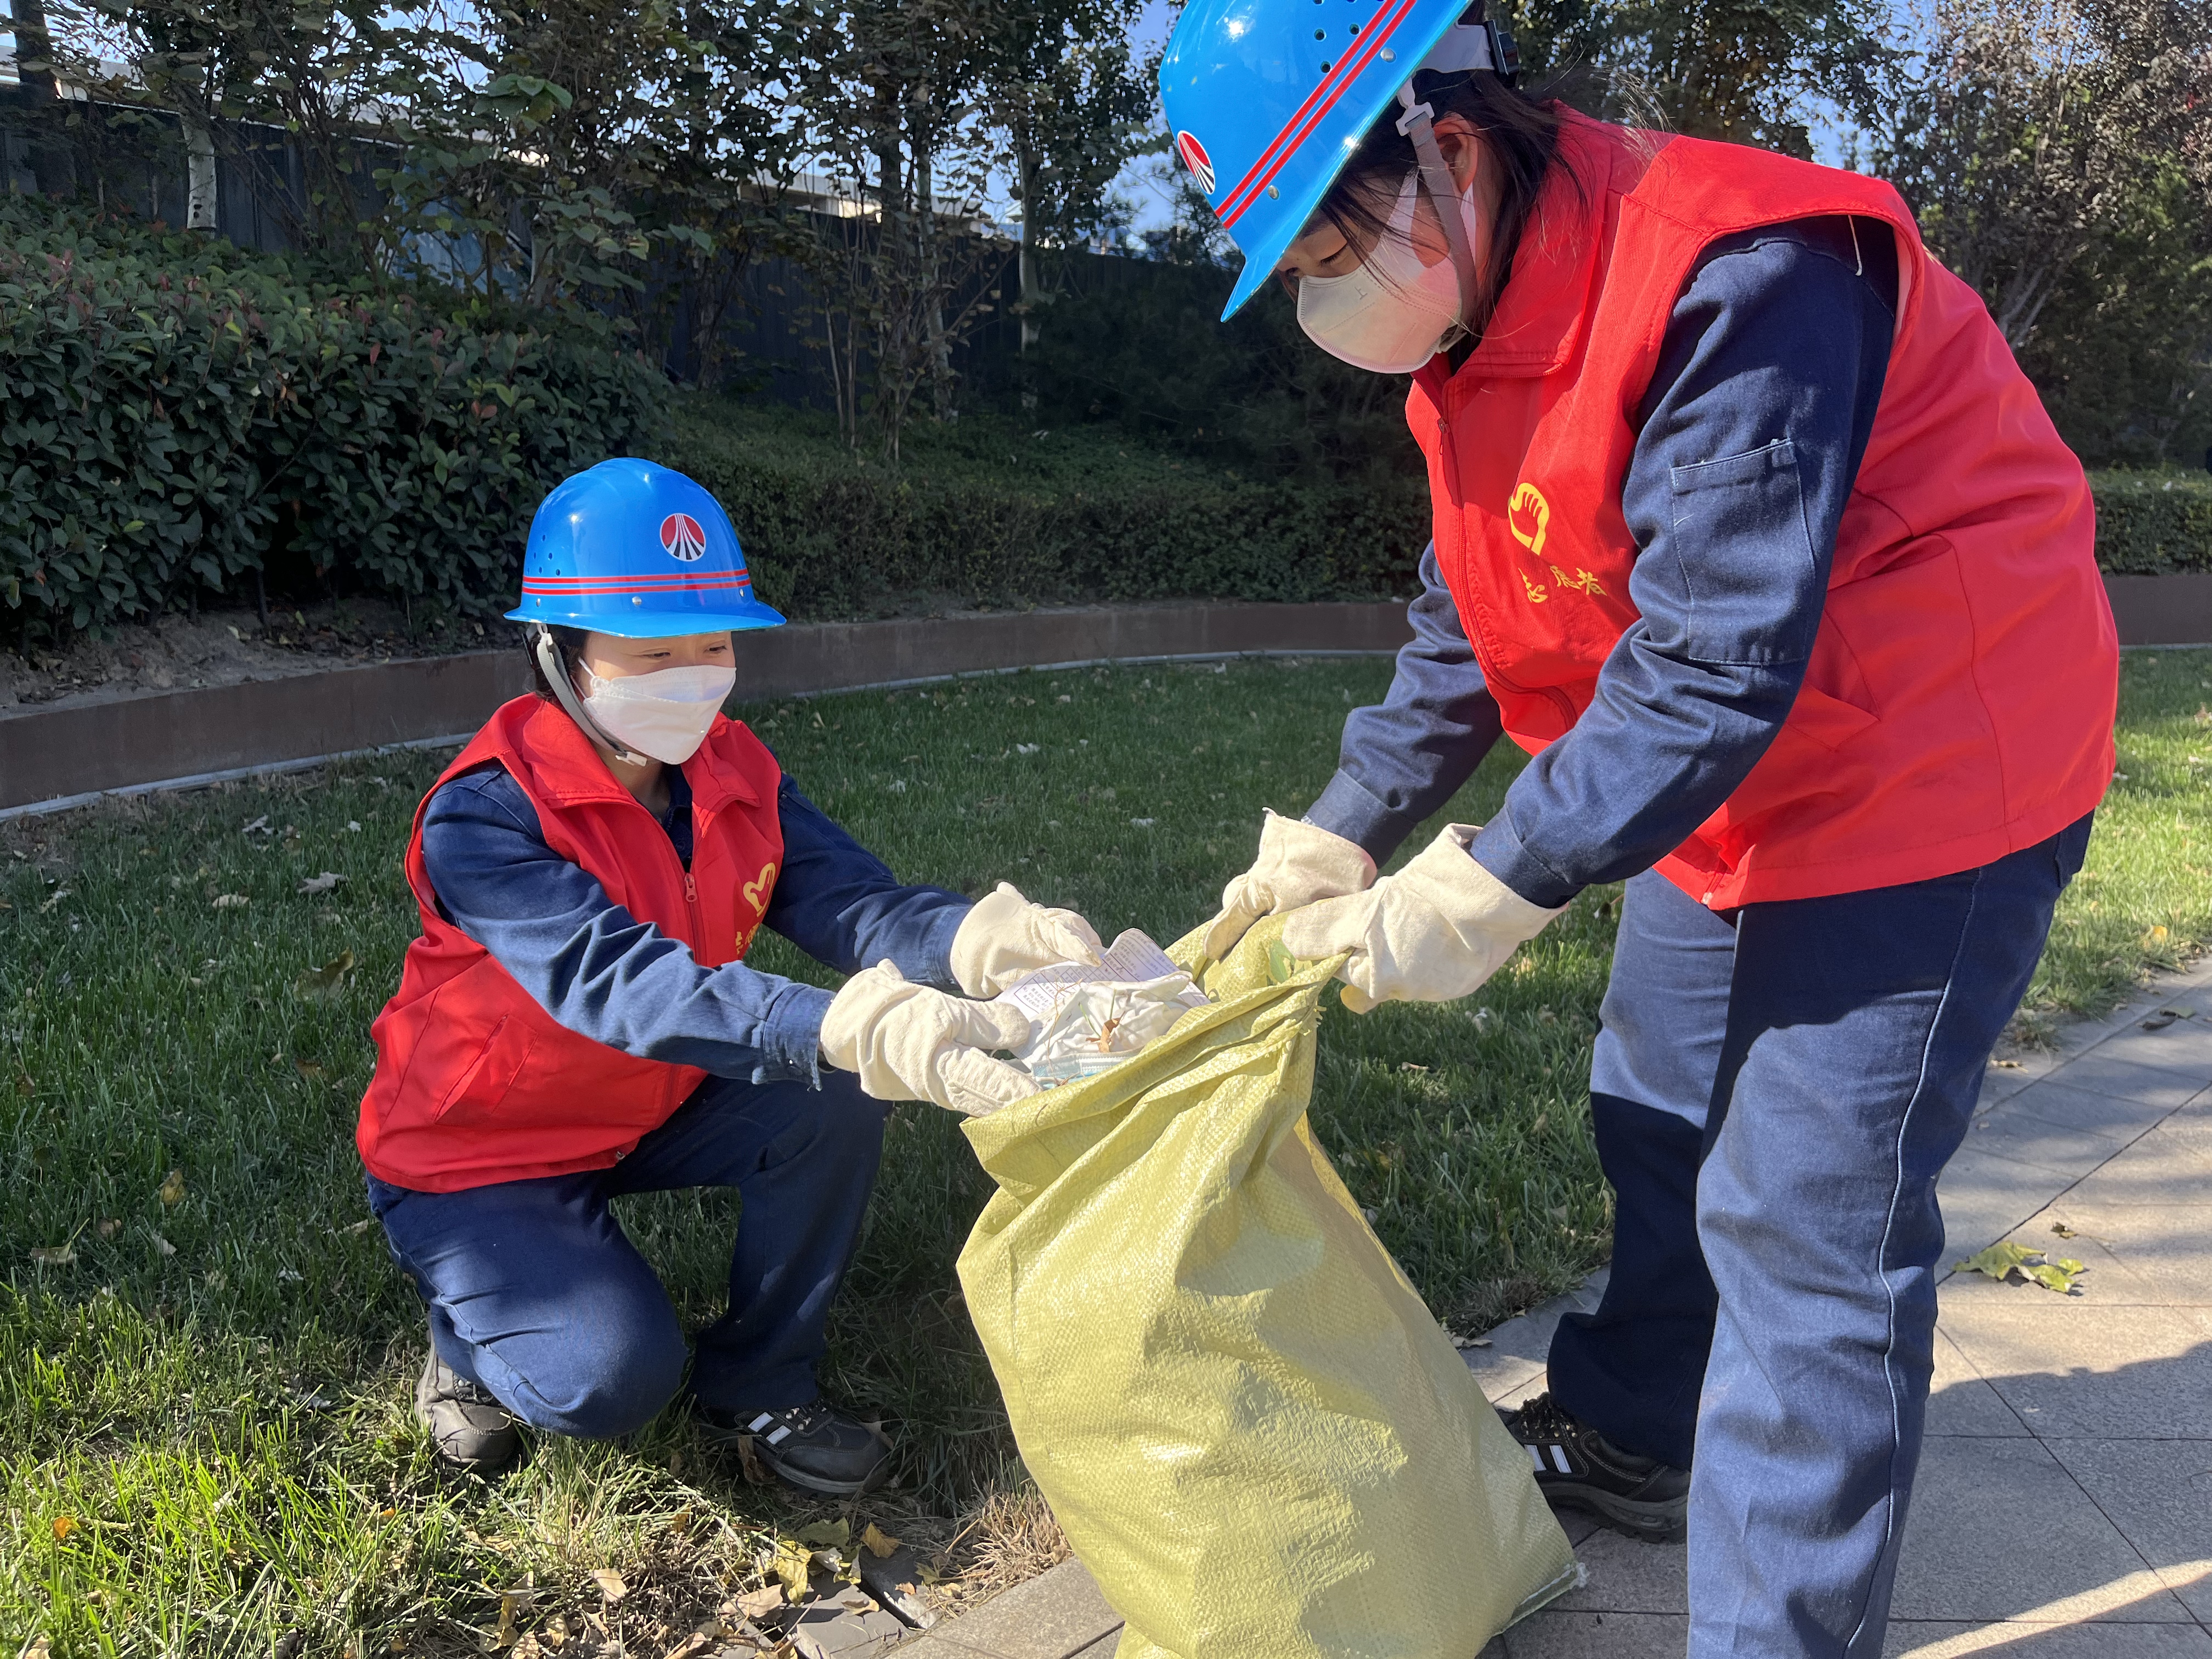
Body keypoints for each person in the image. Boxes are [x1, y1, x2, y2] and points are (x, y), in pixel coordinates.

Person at [1169, 2, 2116, 1653]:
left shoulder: (1737, 269)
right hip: (1730, 765)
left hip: (1931, 754)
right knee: (1663, 1105)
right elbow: (1474, 614)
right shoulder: (1471, 327)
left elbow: (1713, 654)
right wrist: (1337, 831)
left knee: (1806, 1229)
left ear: (1442, 150)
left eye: (1325, 241)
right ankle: (1644, 1431)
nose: (1321, 298)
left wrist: (1488, 886)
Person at [356, 458, 1100, 1491]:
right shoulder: (485, 814)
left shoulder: (733, 768)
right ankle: (467, 1339)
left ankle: (762, 1380)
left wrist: (977, 937)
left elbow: (850, 901)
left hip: (648, 1097)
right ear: (561, 654)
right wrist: (841, 1024)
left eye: (712, 646)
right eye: (653, 651)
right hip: (482, 1148)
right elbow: (616, 982)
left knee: (841, 1090)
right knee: (610, 1380)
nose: (693, 677)